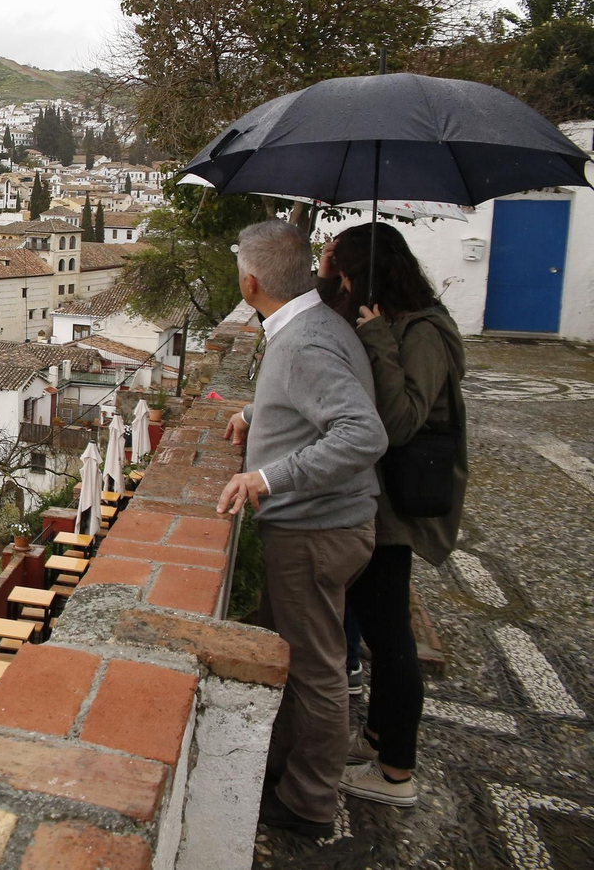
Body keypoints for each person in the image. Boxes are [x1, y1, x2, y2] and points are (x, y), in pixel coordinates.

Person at [219, 219, 388, 838]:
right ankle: (282, 768)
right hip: (322, 526)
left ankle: (310, 802)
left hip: (317, 530)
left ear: (250, 284)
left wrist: (267, 478)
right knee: (289, 654)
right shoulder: (312, 324)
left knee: (316, 670)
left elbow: (363, 434)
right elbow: (306, 397)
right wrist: (253, 413)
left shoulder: (303, 342)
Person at [317, 222, 467, 809]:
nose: (343, 286)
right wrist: (327, 278)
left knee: (390, 636)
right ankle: (380, 736)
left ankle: (397, 771)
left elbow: (400, 423)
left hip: (398, 503)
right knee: (379, 623)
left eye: (348, 276)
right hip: (374, 496)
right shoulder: (389, 318)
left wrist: (377, 337)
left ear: (371, 278)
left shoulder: (423, 332)